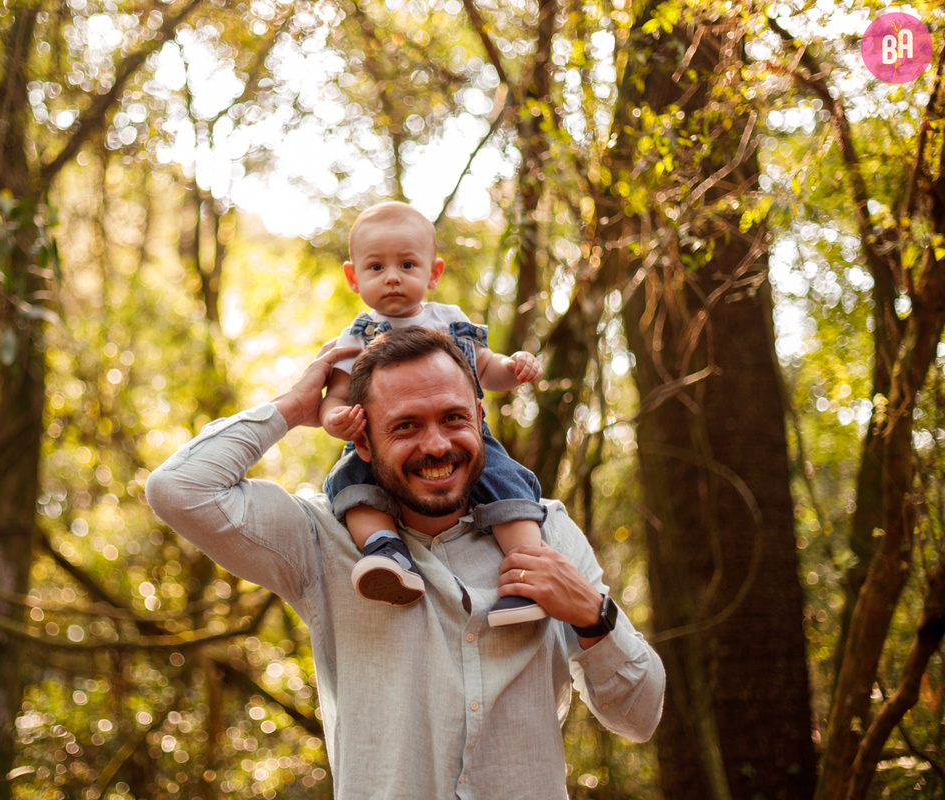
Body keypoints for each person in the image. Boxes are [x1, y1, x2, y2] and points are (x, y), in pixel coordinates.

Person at [145, 327, 664, 799]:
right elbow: (179, 488)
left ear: (481, 419)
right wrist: (295, 406)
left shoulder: (546, 531)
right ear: (363, 441)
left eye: (455, 418)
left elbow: (639, 718)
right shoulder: (319, 539)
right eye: (406, 427)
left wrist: (593, 616)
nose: (437, 445)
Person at [319, 201, 547, 626]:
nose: (392, 277)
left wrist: (514, 368)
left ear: (433, 272)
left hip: (468, 436)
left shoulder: (450, 321)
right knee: (349, 485)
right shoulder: (353, 340)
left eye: (407, 264)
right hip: (377, 445)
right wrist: (337, 420)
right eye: (375, 267)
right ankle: (387, 552)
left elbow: (488, 371)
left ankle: (525, 572)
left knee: (506, 481)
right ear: (353, 277)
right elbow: (334, 398)